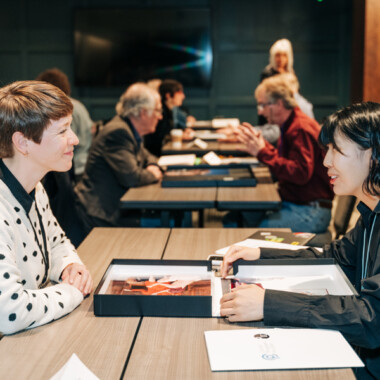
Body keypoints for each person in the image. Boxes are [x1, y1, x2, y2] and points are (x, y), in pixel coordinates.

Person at [220, 101, 380, 379]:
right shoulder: (370, 212)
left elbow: (372, 320)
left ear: (372, 155)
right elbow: (337, 257)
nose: (326, 161)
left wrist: (268, 303)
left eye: (336, 150)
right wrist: (261, 254)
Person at [0, 81, 93, 335]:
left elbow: (55, 240)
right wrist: (73, 291)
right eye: (63, 131)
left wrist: (69, 266)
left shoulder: (35, 187)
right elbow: (10, 311)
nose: (74, 139)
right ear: (23, 142)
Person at [224, 75, 334, 233]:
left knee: (252, 232)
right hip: (298, 203)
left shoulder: (300, 128)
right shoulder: (290, 124)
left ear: (279, 104)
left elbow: (300, 173)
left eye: (263, 105)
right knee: (236, 218)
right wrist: (263, 149)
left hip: (311, 210)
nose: (260, 112)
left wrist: (263, 152)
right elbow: (288, 162)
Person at [75, 83, 163, 233]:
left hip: (113, 209)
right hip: (100, 215)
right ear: (143, 112)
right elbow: (132, 177)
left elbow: (147, 155)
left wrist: (154, 164)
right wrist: (153, 173)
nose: (160, 116)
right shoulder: (118, 132)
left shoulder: (129, 128)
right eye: (157, 111)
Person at [35, 68, 93, 180]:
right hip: (85, 163)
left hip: (73, 165)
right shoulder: (79, 105)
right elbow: (92, 129)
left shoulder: (61, 110)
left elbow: (63, 142)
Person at [144, 79, 193, 156]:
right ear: (168, 95)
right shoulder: (160, 112)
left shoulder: (170, 110)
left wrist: (184, 130)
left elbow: (169, 129)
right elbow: (157, 138)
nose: (183, 96)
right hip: (156, 155)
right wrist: (178, 136)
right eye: (179, 93)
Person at [259, 38, 294, 126]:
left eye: (284, 55)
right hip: (271, 116)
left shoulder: (291, 74)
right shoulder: (267, 73)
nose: (281, 59)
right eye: (278, 55)